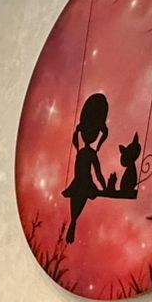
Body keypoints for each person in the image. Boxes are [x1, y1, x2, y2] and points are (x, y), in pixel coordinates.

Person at [62, 92, 109, 243]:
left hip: (78, 184)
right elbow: (98, 174)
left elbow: (96, 173)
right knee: (76, 208)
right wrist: (105, 187)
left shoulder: (81, 153)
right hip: (84, 185)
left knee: (75, 209)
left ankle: (72, 224)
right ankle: (72, 224)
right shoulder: (89, 154)